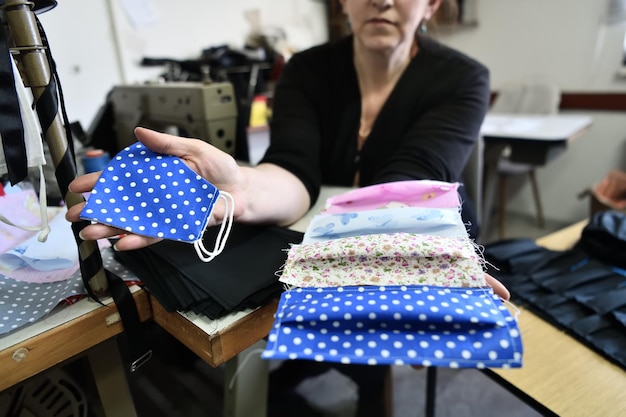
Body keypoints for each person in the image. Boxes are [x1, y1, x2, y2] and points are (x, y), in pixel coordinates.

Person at [67, 0, 509, 415]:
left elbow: (414, 175)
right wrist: (239, 189)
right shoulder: (309, 70)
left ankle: (368, 387)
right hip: (325, 227)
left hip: (410, 224)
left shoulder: (462, 77)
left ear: (432, 3)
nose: (382, 0)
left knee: (373, 338)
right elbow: (294, 172)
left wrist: (407, 250)